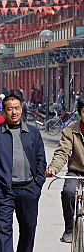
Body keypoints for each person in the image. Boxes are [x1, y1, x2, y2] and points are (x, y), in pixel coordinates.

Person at [0, 95, 46, 252]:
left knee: (28, 225)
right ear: (3, 111)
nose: (14, 112)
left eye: (17, 108)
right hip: (4, 189)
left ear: (21, 109)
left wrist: (38, 182)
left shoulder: (33, 132)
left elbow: (41, 158)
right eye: (9, 108)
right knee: (3, 226)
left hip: (29, 188)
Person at [46, 99, 84, 243]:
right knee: (68, 192)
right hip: (76, 172)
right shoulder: (70, 130)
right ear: (80, 113)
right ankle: (69, 228)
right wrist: (53, 168)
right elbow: (62, 152)